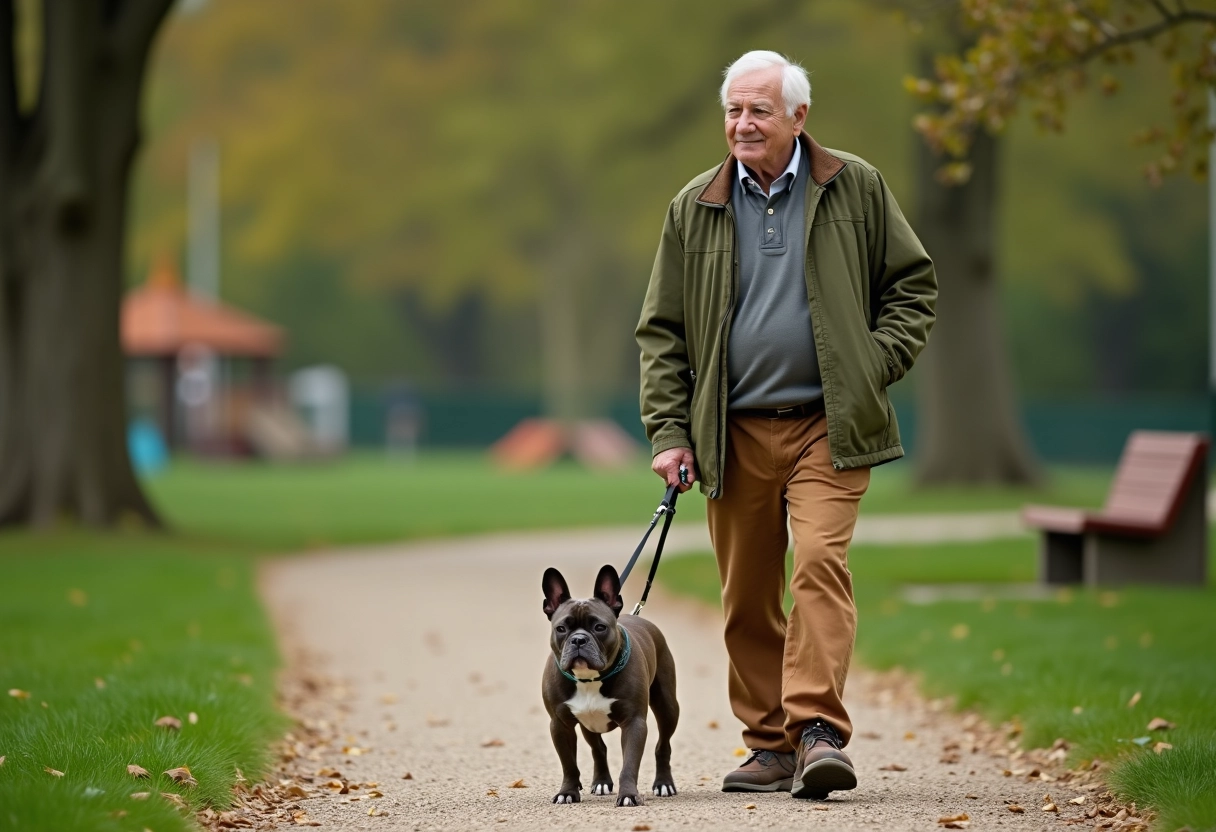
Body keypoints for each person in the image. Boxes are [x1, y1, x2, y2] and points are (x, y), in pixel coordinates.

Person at [635, 50, 937, 799]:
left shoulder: (855, 187)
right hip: (731, 432)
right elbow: (663, 332)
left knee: (819, 566)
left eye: (759, 110)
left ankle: (818, 732)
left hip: (828, 426)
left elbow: (913, 287)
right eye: (734, 110)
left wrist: (872, 365)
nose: (743, 124)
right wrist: (670, 433)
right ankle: (770, 745)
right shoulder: (694, 204)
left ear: (799, 117)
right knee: (745, 595)